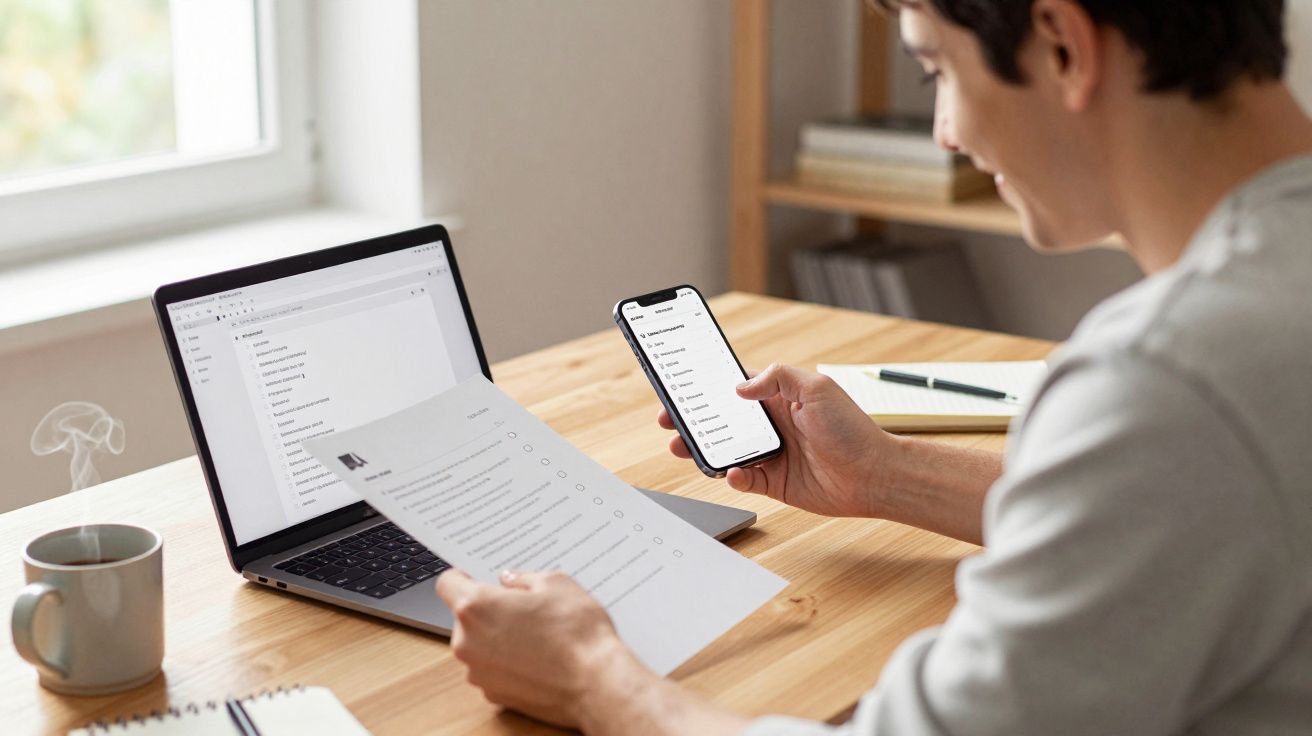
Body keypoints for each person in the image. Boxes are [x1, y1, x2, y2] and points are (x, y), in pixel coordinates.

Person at [435, 0, 1312, 732]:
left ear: (1061, 44)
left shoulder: (1168, 378)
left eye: (937, 71)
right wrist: (887, 476)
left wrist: (593, 676)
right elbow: (1171, 511)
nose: (944, 134)